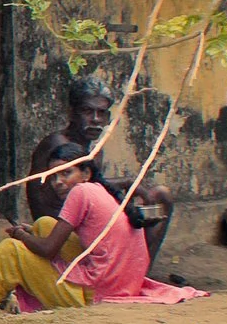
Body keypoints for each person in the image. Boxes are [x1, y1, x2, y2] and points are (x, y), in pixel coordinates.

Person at [0, 144, 203, 321]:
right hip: (121, 283)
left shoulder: (81, 193)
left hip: (99, 293)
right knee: (44, 225)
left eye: (65, 173)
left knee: (12, 252)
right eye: (53, 176)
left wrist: (19, 235)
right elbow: (50, 238)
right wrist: (33, 233)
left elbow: (47, 251)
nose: (57, 182)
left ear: (85, 172)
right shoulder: (100, 191)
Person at [28, 74, 174, 265]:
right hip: (59, 230)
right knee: (139, 207)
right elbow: (81, 192)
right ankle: (131, 270)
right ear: (71, 113)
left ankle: (140, 269)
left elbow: (94, 187)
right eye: (88, 111)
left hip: (80, 221)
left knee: (160, 196)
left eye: (101, 113)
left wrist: (129, 187)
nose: (96, 119)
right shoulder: (58, 144)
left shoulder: (92, 149)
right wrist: (129, 185)